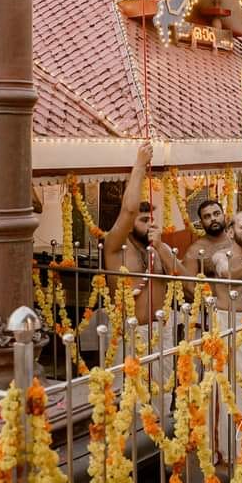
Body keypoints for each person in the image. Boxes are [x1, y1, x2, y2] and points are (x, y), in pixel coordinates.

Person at [104, 143, 187, 416]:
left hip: (161, 333)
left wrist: (161, 246)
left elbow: (188, 281)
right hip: (131, 334)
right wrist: (139, 165)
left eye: (151, 219)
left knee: (160, 403)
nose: (149, 224)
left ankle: (157, 455)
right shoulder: (115, 247)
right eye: (143, 220)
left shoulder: (155, 248)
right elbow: (127, 212)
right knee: (130, 406)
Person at [211, 212, 242, 463]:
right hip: (226, 324)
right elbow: (227, 275)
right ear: (231, 231)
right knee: (227, 388)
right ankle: (228, 451)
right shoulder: (221, 256)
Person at [190, 199, 231, 276]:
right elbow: (188, 284)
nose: (213, 219)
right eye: (207, 216)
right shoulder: (195, 250)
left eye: (217, 214)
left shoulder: (236, 240)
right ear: (201, 223)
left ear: (225, 216)